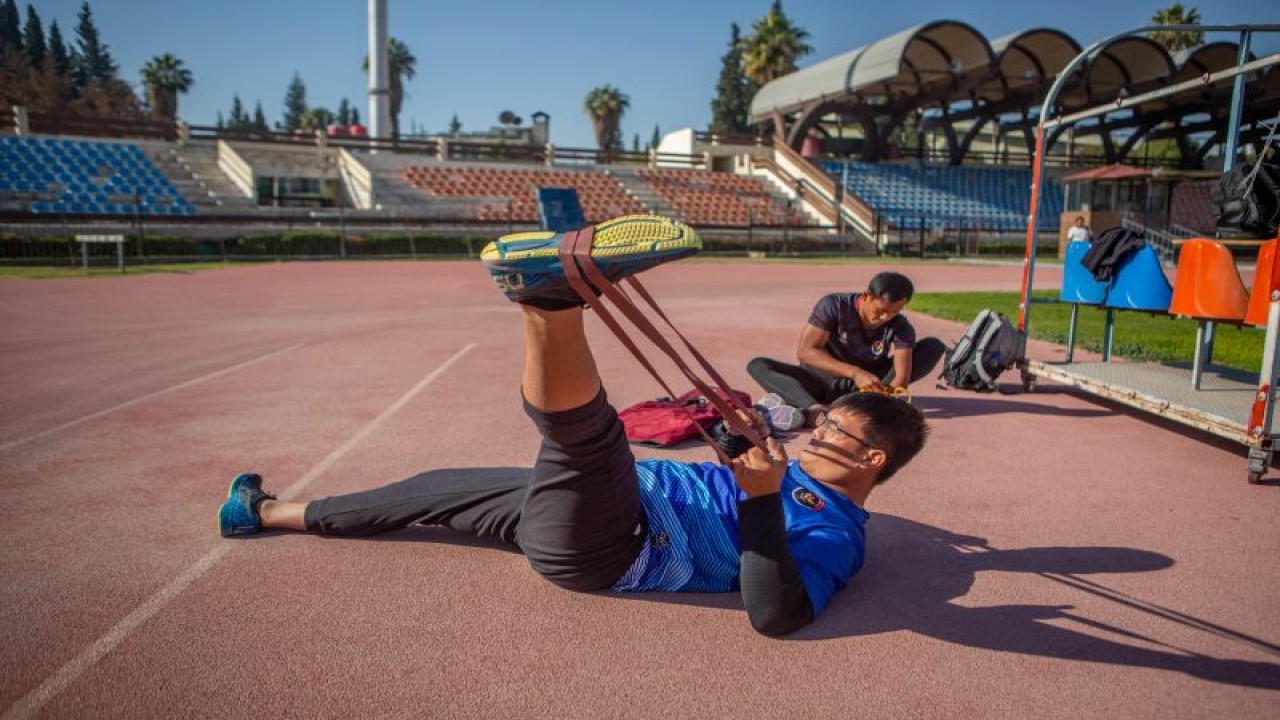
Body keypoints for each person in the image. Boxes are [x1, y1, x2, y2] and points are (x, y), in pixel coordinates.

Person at [218, 215, 930, 637]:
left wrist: (763, 497)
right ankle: (266, 513)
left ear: (870, 459)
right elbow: (758, 490)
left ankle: (550, 302)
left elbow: (777, 615)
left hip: (618, 543)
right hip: (600, 512)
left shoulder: (839, 534)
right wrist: (750, 459)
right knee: (432, 489)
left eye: (832, 429)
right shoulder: (795, 475)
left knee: (592, 442)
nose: (815, 433)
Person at [746, 271, 946, 427]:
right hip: (817, 380)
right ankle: (813, 411)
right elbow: (806, 352)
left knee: (933, 346)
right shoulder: (835, 305)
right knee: (758, 365)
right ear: (866, 296)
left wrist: (886, 395)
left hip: (863, 388)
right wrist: (855, 372)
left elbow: (900, 378)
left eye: (895, 312)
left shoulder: (900, 326)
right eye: (881, 310)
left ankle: (859, 404)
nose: (886, 318)